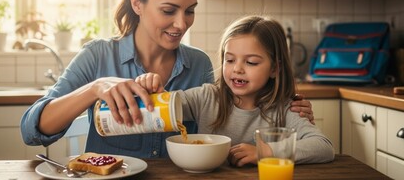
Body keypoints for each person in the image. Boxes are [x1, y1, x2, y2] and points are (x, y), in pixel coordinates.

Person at [20, 0, 314, 158]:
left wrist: (283, 109)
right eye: (168, 10)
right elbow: (32, 131)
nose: (181, 23)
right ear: (137, 3)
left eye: (190, 11)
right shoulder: (98, 56)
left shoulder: (199, 64)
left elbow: (233, 116)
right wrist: (95, 89)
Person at [136, 15, 334, 165]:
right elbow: (166, 106)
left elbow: (323, 147)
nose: (237, 68)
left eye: (251, 62)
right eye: (229, 60)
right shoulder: (206, 97)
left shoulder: (284, 108)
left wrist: (264, 153)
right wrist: (153, 90)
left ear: (275, 68)